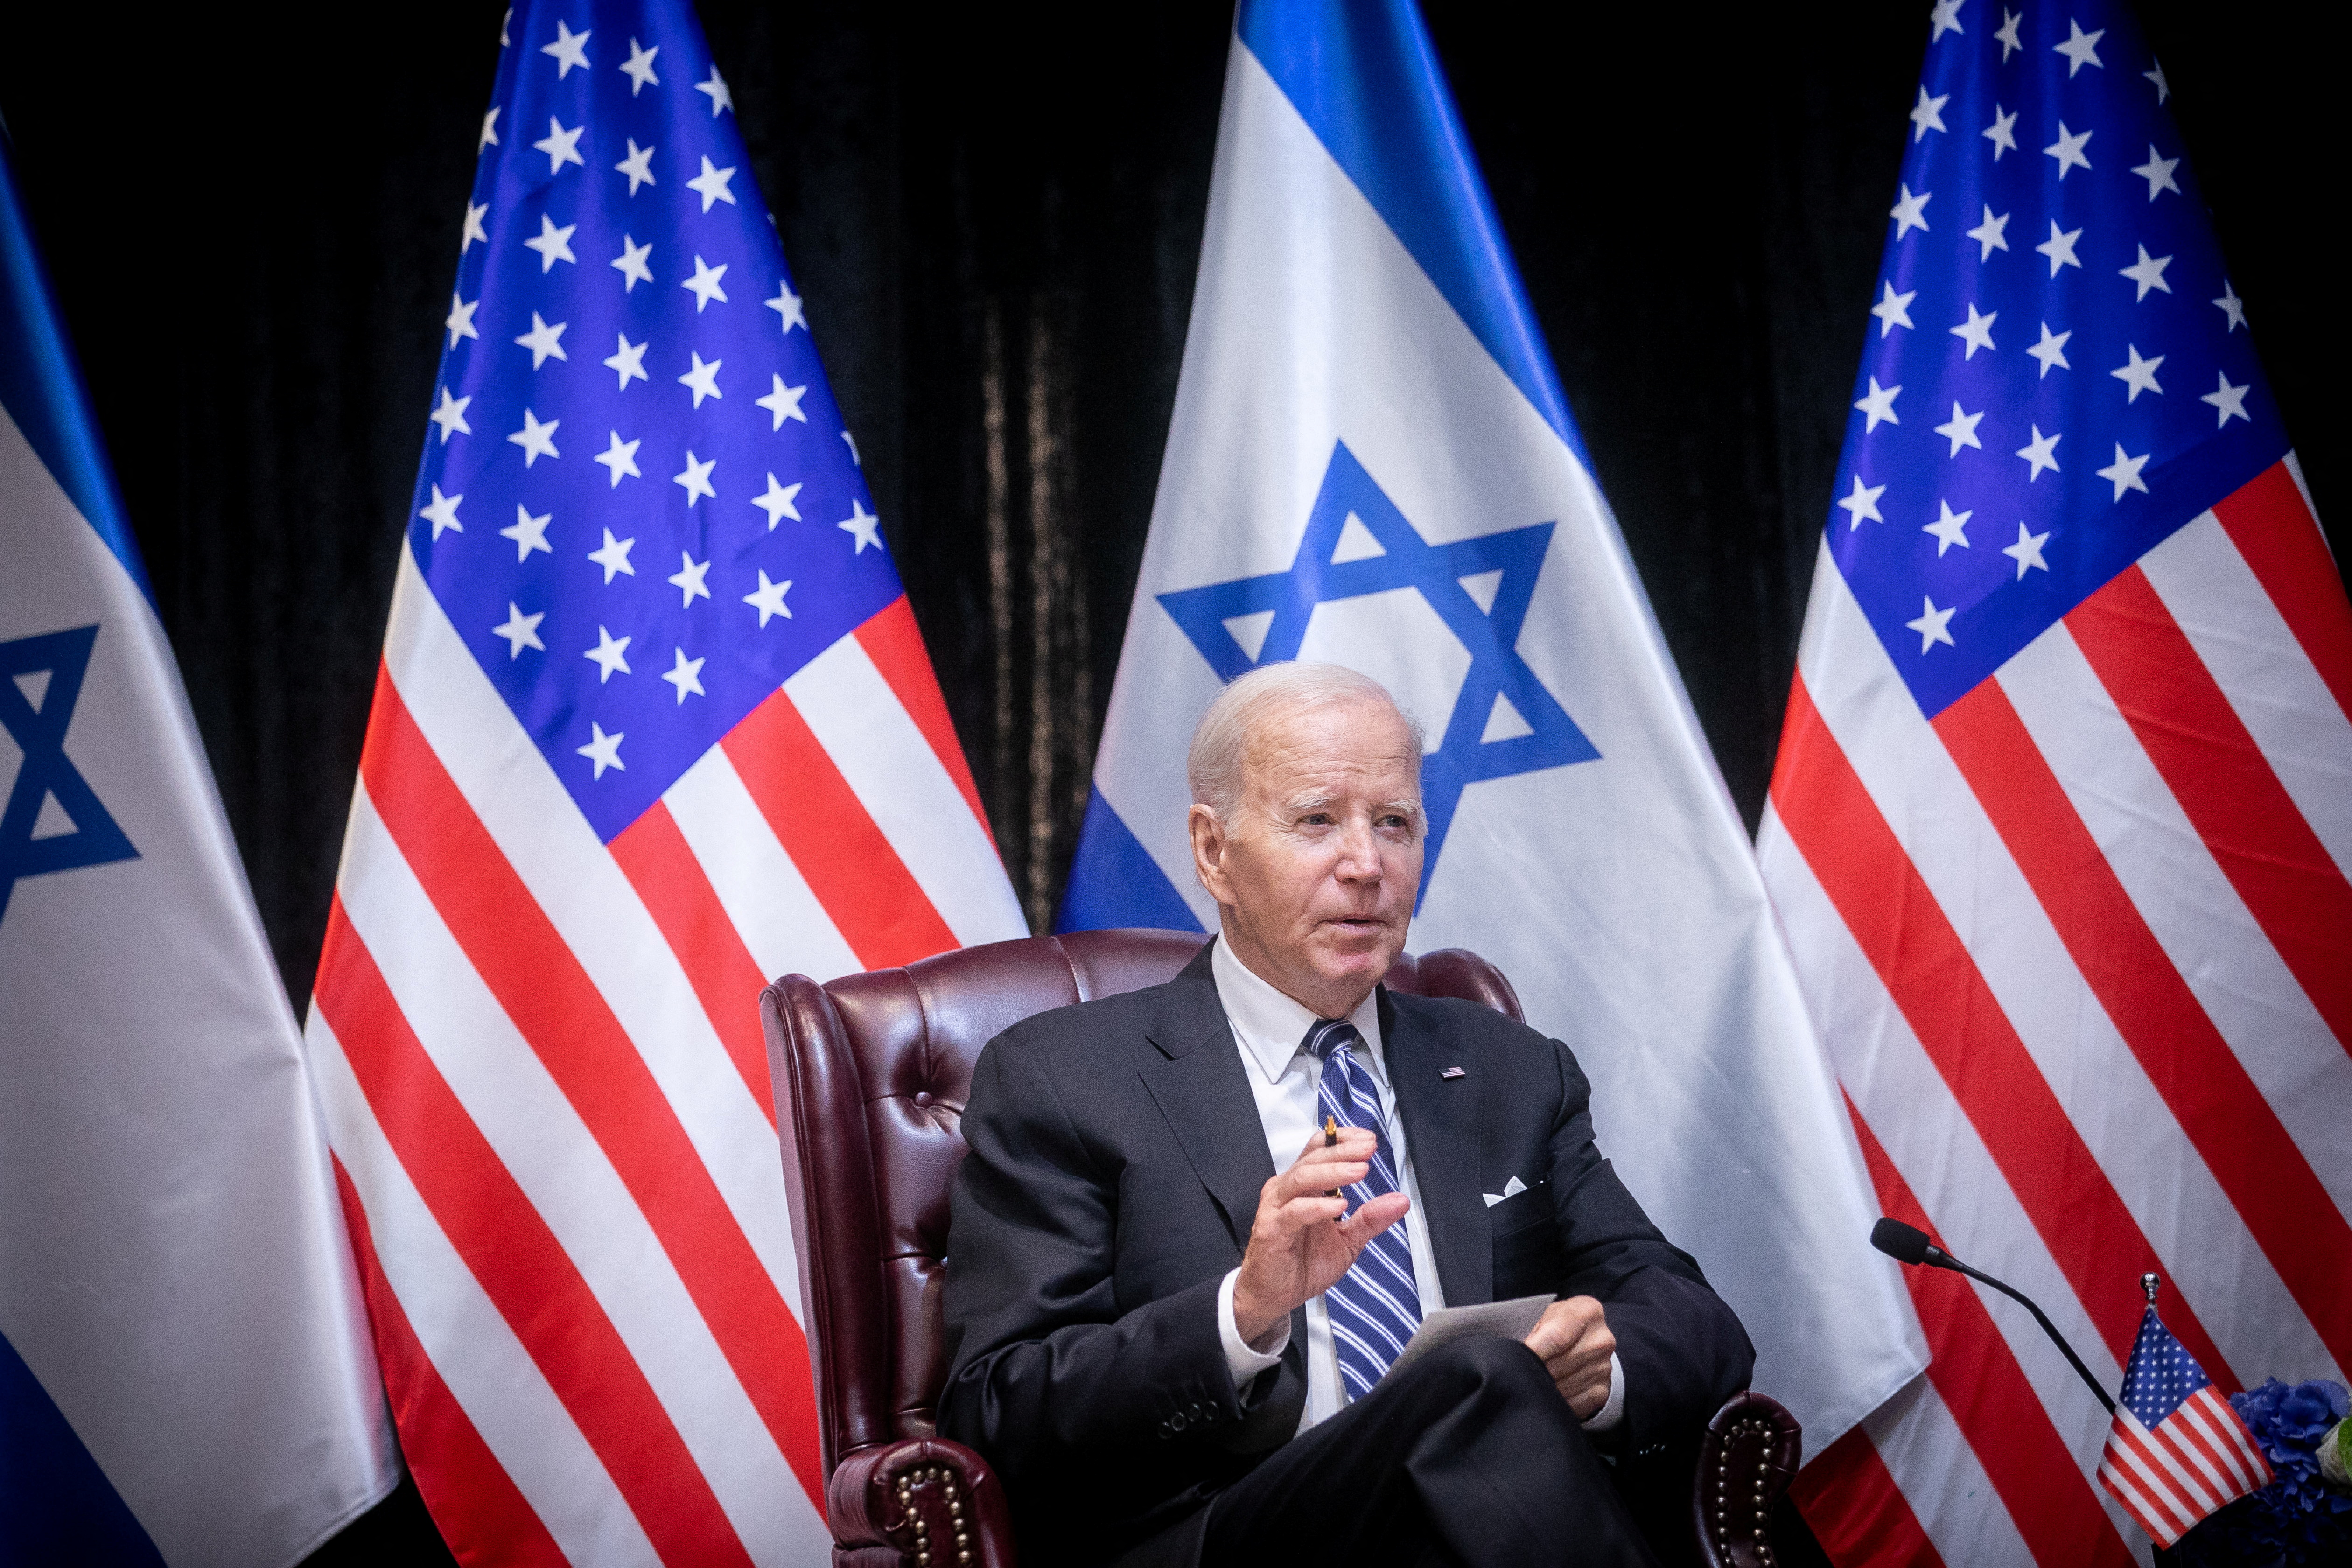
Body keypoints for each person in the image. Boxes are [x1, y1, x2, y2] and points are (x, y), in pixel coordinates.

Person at [939, 662, 1754, 1567]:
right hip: (1232, 1533)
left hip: (1497, 1524)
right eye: (1317, 820)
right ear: (1214, 852)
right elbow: (998, 1407)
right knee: (1477, 1380)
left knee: (1483, 1397)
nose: (1367, 865)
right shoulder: (1064, 1079)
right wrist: (1242, 1313)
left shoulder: (1506, 1069)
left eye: (1395, 824)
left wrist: (1601, 1373)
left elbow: (1695, 1319)